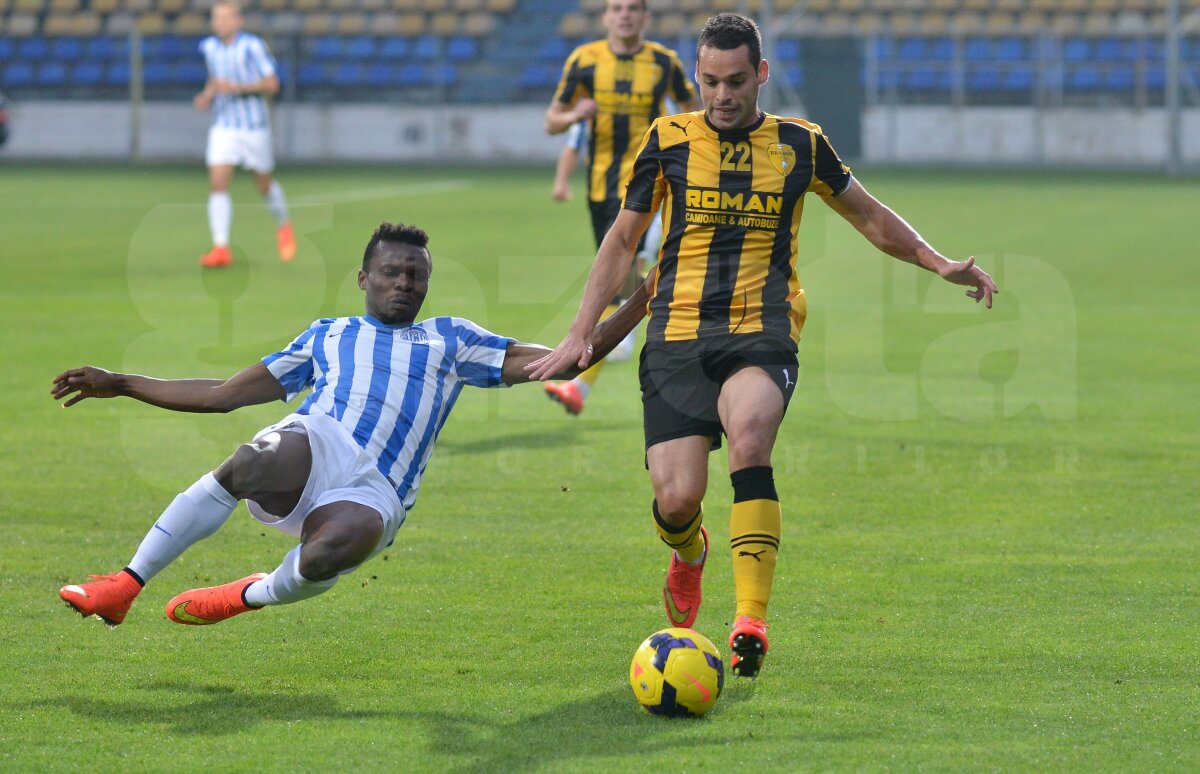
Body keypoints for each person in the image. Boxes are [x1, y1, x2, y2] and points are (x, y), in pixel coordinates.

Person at [527, 13, 999, 679]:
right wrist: (582, 328)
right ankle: (690, 553)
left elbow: (870, 216)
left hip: (763, 327)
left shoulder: (801, 145)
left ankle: (751, 619)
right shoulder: (669, 140)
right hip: (675, 334)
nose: (723, 95)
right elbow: (624, 240)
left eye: (737, 81)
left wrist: (939, 261)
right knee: (677, 500)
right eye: (711, 82)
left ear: (763, 74)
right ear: (698, 76)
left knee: (751, 436)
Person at [55, 222, 647, 628]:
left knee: (324, 558)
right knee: (248, 462)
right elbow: (222, 395)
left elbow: (574, 356)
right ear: (364, 278)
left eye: (415, 276)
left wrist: (644, 298)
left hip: (377, 490)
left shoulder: (453, 340)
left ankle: (247, 594)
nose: (403, 284)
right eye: (391, 272)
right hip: (320, 441)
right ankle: (124, 587)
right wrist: (125, 382)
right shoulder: (328, 335)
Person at [542, 0, 701, 415]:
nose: (625, 14)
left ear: (645, 18)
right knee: (626, 279)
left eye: (633, 8)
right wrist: (577, 111)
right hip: (603, 190)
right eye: (617, 8)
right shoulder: (585, 61)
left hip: (654, 183)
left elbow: (695, 115)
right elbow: (552, 121)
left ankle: (583, 380)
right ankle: (625, 334)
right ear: (607, 17)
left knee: (630, 269)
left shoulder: (663, 63)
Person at [193, 0, 294, 269]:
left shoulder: (252, 46)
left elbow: (272, 84)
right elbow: (216, 79)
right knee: (217, 183)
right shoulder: (210, 47)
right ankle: (221, 247)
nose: (222, 22)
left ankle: (283, 226)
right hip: (224, 126)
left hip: (253, 128)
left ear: (238, 21)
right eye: (218, 18)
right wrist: (207, 95)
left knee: (263, 184)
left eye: (227, 18)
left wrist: (236, 88)